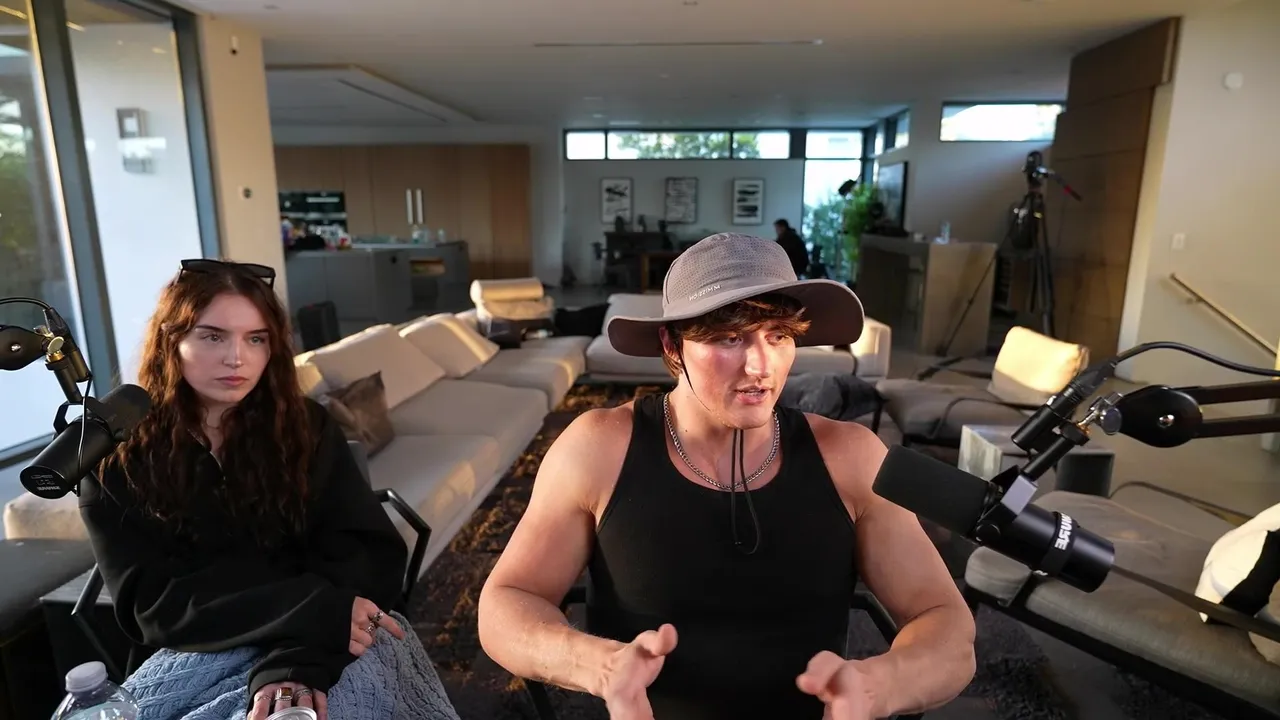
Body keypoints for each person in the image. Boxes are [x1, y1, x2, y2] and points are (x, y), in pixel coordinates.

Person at [478, 233, 976, 720]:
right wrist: (600, 666)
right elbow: (506, 604)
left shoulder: (852, 456)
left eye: (778, 336)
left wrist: (874, 687)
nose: (761, 365)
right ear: (672, 345)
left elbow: (947, 626)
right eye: (729, 337)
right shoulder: (598, 449)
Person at [79, 259, 434, 720]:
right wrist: (307, 608)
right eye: (213, 337)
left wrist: (297, 661)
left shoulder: (306, 427)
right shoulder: (117, 458)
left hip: (327, 638)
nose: (237, 358)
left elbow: (367, 555)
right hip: (200, 647)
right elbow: (152, 605)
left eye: (256, 339)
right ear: (171, 340)